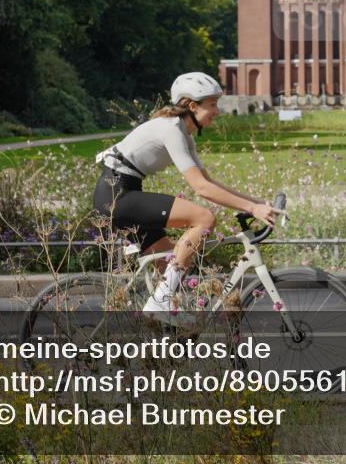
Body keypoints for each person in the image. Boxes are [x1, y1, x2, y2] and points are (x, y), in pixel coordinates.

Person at [92, 72, 283, 314]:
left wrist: (256, 203)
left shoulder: (184, 134)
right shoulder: (171, 129)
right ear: (192, 106)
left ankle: (162, 326)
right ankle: (158, 305)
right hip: (116, 196)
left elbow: (209, 182)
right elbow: (201, 188)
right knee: (204, 219)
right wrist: (253, 208)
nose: (217, 111)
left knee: (171, 264)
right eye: (212, 105)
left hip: (124, 191)